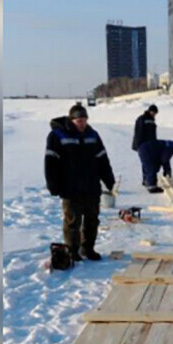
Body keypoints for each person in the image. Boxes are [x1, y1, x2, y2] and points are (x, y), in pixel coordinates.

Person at [44, 103, 115, 261]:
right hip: (70, 188)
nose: (82, 124)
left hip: (91, 186)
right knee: (72, 222)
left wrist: (109, 179)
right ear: (71, 120)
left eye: (84, 120)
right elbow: (50, 162)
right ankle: (72, 251)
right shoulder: (58, 135)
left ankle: (88, 249)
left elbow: (102, 158)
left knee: (92, 221)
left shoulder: (93, 134)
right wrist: (52, 184)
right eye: (79, 121)